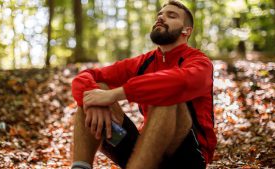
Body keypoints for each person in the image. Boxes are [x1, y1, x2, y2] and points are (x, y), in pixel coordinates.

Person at [71, 1, 216, 169]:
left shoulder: (199, 62)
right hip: (144, 153)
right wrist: (95, 98)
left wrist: (115, 94)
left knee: (167, 97)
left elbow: (179, 82)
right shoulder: (144, 62)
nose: (161, 18)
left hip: (187, 158)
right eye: (160, 15)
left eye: (171, 15)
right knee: (94, 91)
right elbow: (86, 76)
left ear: (186, 31)